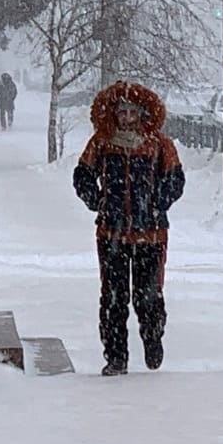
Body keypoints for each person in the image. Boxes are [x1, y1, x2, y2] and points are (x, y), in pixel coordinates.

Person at [72, 81, 185, 375]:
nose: (126, 117)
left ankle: (152, 337)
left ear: (142, 114)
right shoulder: (101, 143)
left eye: (131, 112)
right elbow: (83, 175)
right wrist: (97, 201)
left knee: (148, 295)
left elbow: (175, 180)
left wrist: (158, 203)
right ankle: (116, 356)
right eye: (121, 111)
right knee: (113, 297)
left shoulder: (160, 145)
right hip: (111, 233)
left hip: (151, 234)